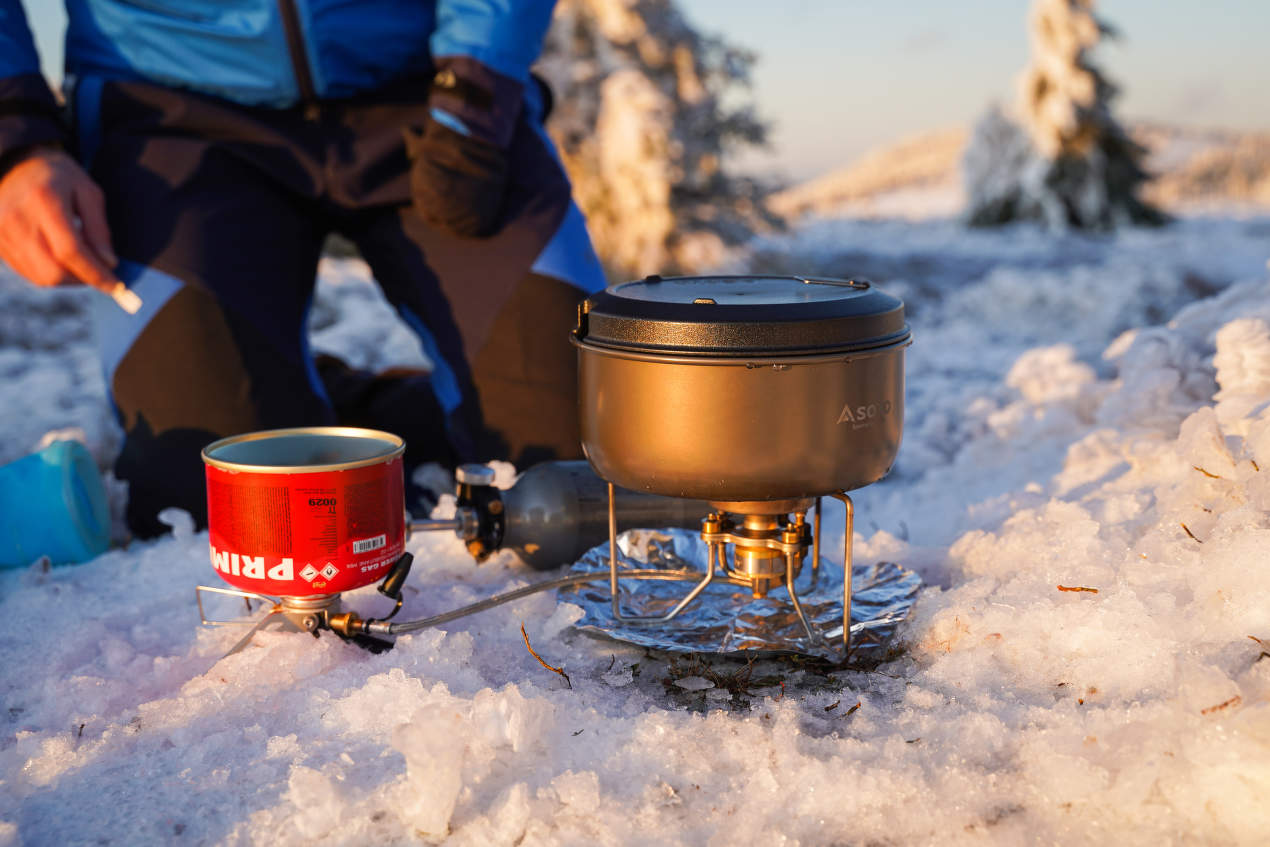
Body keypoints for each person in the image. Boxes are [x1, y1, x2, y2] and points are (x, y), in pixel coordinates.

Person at [0, 0, 607, 537]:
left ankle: (337, 410)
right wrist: (16, 140)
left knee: (586, 465)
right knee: (223, 502)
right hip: (165, 107)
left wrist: (477, 84)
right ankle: (267, 389)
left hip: (427, 84)